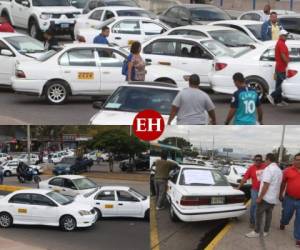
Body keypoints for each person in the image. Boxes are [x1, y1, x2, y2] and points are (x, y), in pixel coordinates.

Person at [246, 153, 282, 238]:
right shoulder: (279, 170)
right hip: (273, 198)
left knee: (259, 214)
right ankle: (266, 231)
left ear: (268, 160)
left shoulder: (268, 169)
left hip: (266, 197)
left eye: (265, 159)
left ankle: (256, 231)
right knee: (269, 215)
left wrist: (260, 197)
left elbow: (266, 185)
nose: (264, 161)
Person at [236, 155, 267, 227]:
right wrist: (238, 187)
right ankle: (253, 221)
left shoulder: (266, 167)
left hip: (264, 190)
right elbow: (244, 179)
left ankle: (258, 220)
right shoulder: (251, 168)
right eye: (256, 160)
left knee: (262, 206)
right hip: (255, 190)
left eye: (260, 160)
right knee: (254, 205)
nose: (258, 161)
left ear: (262, 160)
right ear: (254, 160)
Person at [279, 153, 300, 248]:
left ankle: (298, 238)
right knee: (286, 215)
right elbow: (283, 183)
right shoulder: (287, 171)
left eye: (299, 160)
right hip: (289, 199)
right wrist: (280, 194)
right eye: (296, 159)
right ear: (293, 160)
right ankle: (283, 222)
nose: (297, 161)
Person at [267, 30, 289, 106]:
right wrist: (288, 63)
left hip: (279, 66)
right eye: (284, 35)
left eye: (286, 35)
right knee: (283, 84)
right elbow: (283, 55)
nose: (286, 37)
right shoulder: (281, 44)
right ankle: (272, 95)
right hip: (282, 67)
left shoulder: (281, 43)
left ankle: (278, 101)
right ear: (280, 36)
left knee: (279, 84)